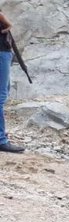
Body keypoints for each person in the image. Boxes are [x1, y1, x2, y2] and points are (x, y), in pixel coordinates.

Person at [0, 10, 24, 153]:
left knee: (4, 91)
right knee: (1, 95)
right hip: (1, 51)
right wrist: (8, 24)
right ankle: (1, 140)